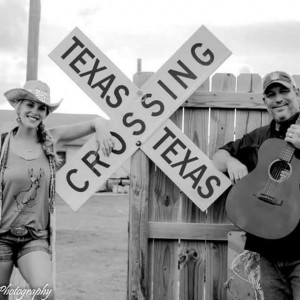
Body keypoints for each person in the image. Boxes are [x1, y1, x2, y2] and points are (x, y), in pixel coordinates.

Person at [0, 80, 115, 300]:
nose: (35, 112)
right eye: (29, 105)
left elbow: (96, 122)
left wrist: (101, 131)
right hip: (1, 235)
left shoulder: (50, 139)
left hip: (34, 237)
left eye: (41, 108)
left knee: (46, 293)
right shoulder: (2, 144)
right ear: (18, 107)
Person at [212, 71, 300, 300]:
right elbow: (217, 158)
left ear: (297, 93)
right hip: (269, 252)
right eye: (271, 94)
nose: (278, 98)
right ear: (265, 102)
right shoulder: (258, 138)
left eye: (284, 91)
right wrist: (231, 162)